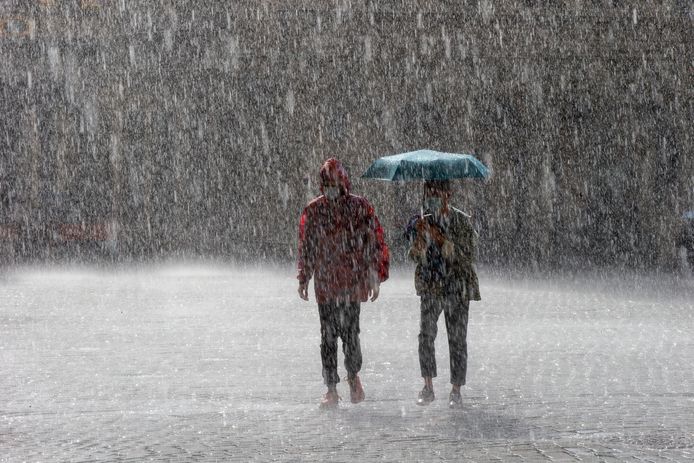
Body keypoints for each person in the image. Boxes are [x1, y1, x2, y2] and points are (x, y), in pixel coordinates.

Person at [297, 158, 390, 408]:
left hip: (351, 284)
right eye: (327, 185)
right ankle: (331, 388)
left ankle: (352, 376)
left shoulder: (359, 208)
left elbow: (374, 241)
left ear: (343, 183)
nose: (331, 190)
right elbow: (307, 245)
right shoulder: (314, 211)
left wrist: (375, 274)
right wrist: (304, 276)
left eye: (335, 184)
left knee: (351, 335)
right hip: (327, 286)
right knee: (327, 338)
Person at [404, 180, 481, 408]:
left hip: (457, 286)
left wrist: (441, 240)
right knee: (426, 335)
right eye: (429, 193)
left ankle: (456, 389)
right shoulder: (422, 221)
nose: (433, 198)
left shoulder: (461, 221)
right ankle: (428, 386)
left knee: (457, 338)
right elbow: (414, 256)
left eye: (437, 193)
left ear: (449, 194)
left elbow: (467, 255)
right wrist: (419, 243)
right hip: (431, 285)